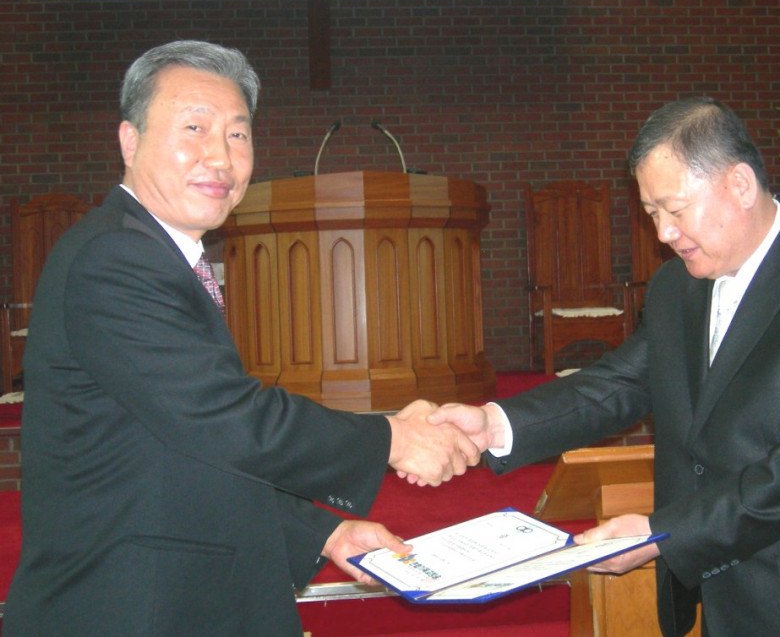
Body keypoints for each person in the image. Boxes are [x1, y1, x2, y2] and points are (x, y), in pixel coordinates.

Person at [3, 40, 480, 636]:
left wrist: (324, 533)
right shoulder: (117, 257)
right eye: (194, 128)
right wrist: (394, 438)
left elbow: (181, 443)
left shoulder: (151, 251)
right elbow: (226, 419)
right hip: (130, 605)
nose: (220, 157)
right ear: (130, 140)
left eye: (238, 134)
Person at [427, 97, 780, 635]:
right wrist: (494, 424)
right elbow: (620, 383)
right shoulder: (677, 285)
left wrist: (664, 534)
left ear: (740, 185)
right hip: (721, 595)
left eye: (674, 210)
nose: (663, 234)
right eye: (652, 214)